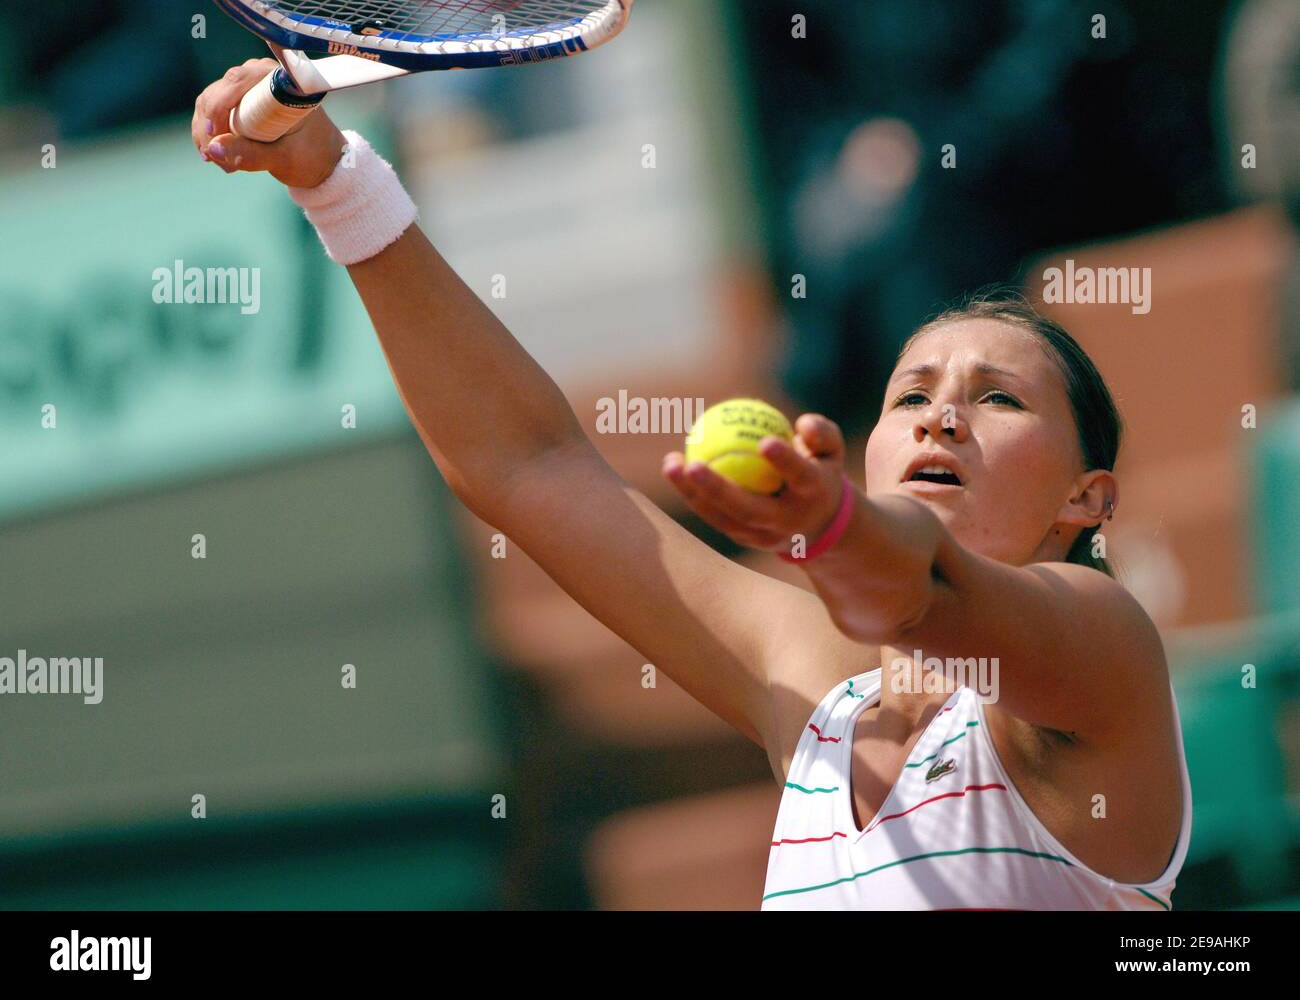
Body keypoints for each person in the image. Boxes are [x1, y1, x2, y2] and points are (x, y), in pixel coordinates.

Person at [191, 60, 1191, 910]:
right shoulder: (813, 687)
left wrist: (826, 525)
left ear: (1087, 498)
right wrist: (337, 183)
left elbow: (920, 587)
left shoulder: (1105, 652)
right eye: (910, 394)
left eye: (999, 399)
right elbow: (526, 466)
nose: (939, 414)